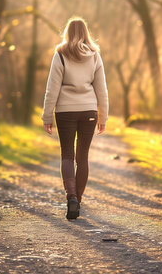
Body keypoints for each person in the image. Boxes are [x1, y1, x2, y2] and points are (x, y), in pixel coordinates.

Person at [42, 16, 109, 220]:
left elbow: (52, 89)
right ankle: (77, 201)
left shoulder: (60, 54)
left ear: (68, 33)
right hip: (88, 111)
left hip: (65, 111)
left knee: (67, 155)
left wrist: (47, 115)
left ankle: (71, 197)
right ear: (86, 33)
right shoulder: (95, 56)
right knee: (83, 157)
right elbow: (102, 90)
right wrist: (102, 117)